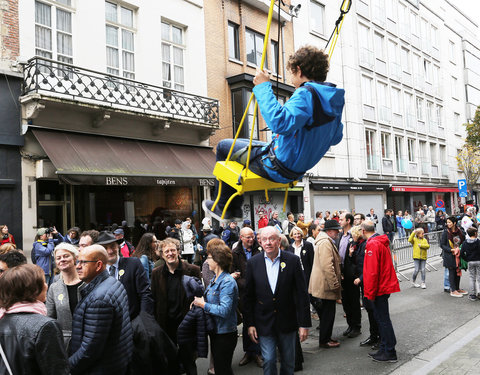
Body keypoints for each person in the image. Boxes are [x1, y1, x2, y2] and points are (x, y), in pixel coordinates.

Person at [203, 45, 344, 221]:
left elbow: (279, 122)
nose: (292, 80)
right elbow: (336, 137)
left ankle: (225, 207)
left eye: (292, 74)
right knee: (246, 143)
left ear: (299, 70)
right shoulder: (333, 100)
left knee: (224, 146)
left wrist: (263, 87)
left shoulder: (306, 94)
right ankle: (232, 209)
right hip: (296, 168)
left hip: (278, 165)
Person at [244, 226, 311, 374]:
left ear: (279, 241)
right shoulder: (253, 263)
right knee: (268, 359)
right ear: (260, 241)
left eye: (272, 239)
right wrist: (250, 324)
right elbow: (248, 297)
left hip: (287, 321)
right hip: (264, 321)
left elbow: (302, 294)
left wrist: (304, 324)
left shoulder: (293, 261)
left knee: (288, 362)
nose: (268, 243)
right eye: (264, 239)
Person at [69, 245, 133, 374]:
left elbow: (90, 350)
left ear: (98, 265)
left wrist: (67, 367)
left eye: (83, 262)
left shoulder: (98, 299)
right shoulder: (113, 282)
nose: (77, 266)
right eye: (77, 261)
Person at [0, 264, 69, 374]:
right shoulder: (46, 326)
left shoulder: (2, 318)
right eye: (43, 282)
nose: (46, 285)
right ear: (33, 289)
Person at [151, 237, 202, 374]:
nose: (170, 254)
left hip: (186, 323)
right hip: (166, 325)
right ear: (162, 255)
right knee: (171, 362)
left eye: (173, 250)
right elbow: (153, 299)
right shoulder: (156, 274)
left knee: (189, 361)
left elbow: (201, 295)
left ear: (178, 251)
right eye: (166, 251)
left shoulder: (193, 270)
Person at [193, 240, 239, 375]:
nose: (206, 261)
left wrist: (203, 304)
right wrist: (201, 301)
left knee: (222, 369)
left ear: (217, 260)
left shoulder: (227, 282)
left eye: (209, 258)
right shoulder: (216, 279)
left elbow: (224, 310)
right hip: (217, 332)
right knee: (221, 368)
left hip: (225, 334)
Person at [362, 220, 400, 362]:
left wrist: (369, 293)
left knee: (383, 320)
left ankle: (389, 351)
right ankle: (385, 348)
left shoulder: (372, 244)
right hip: (382, 286)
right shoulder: (379, 241)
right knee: (382, 319)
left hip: (379, 288)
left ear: (363, 231)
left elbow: (372, 272)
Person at [97, 231, 154, 319]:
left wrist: (143, 320)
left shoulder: (133, 264)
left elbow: (145, 294)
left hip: (133, 322)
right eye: (105, 248)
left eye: (113, 246)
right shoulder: (96, 270)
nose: (110, 251)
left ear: (118, 247)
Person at [231, 227, 263, 368]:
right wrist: (245, 283)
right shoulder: (235, 253)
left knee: (258, 321)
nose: (251, 239)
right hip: (244, 293)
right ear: (241, 238)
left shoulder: (260, 250)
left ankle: (257, 352)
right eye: (248, 237)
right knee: (247, 321)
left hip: (260, 292)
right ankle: (248, 352)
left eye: (252, 236)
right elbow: (232, 274)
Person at [309, 220, 342, 348]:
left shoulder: (325, 241)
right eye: (336, 230)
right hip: (325, 285)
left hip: (324, 284)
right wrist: (335, 284)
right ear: (329, 231)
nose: (338, 232)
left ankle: (326, 337)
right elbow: (327, 266)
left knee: (327, 314)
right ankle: (325, 340)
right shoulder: (325, 243)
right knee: (328, 314)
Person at [287, 226, 315, 370]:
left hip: (306, 275)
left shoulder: (308, 245)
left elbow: (312, 262)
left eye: (299, 233)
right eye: (295, 233)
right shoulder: (289, 248)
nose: (297, 235)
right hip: (296, 277)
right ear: (291, 235)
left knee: (308, 299)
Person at [46, 243, 83, 344]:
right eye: (58, 258)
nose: (62, 259)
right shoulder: (54, 288)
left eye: (66, 256)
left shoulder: (87, 283)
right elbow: (50, 318)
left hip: (88, 339)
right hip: (64, 343)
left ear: (75, 259)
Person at [350, 226, 379, 348]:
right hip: (364, 283)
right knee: (370, 310)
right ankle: (373, 336)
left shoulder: (367, 244)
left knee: (374, 312)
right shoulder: (358, 245)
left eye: (353, 235)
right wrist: (351, 254)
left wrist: (360, 278)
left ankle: (378, 338)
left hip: (368, 282)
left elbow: (368, 265)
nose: (352, 237)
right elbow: (357, 263)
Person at [338, 212, 362, 338]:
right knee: (346, 301)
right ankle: (350, 325)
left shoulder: (354, 236)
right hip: (342, 273)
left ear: (348, 221)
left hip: (351, 274)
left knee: (353, 301)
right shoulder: (341, 236)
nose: (339, 221)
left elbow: (356, 257)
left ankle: (356, 327)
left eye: (341, 219)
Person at [441, 216, 467, 297]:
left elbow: (464, 241)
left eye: (449, 222)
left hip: (458, 254)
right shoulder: (446, 232)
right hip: (450, 255)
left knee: (458, 271)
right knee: (451, 272)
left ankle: (457, 288)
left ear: (454, 223)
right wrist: (451, 250)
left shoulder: (460, 231)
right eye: (447, 222)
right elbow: (442, 245)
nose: (448, 224)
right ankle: (453, 290)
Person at [460, 227, 480, 301]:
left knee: (472, 277)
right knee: (479, 277)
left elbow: (461, 253)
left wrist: (467, 259)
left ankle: (472, 295)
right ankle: (479, 292)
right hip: (478, 261)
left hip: (470, 261)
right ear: (475, 233)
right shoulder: (478, 241)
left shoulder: (465, 243)